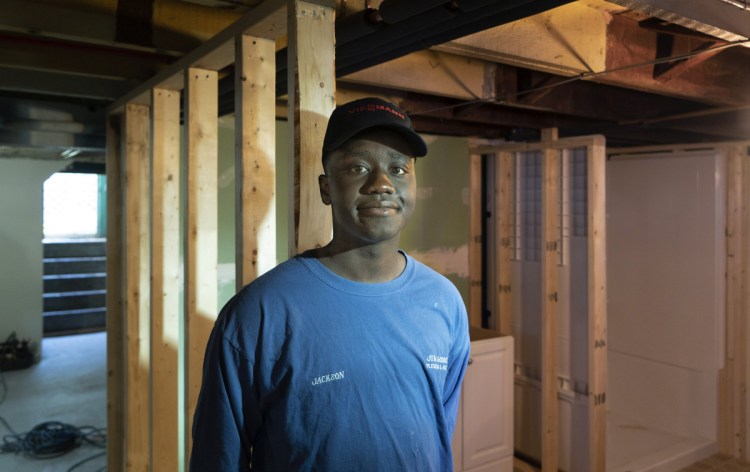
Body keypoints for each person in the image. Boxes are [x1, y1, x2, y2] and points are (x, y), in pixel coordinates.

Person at [190, 97, 471, 471]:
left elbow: (438, 431)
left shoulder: (445, 302)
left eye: (399, 168)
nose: (382, 183)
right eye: (358, 167)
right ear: (326, 189)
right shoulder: (258, 314)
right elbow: (218, 458)